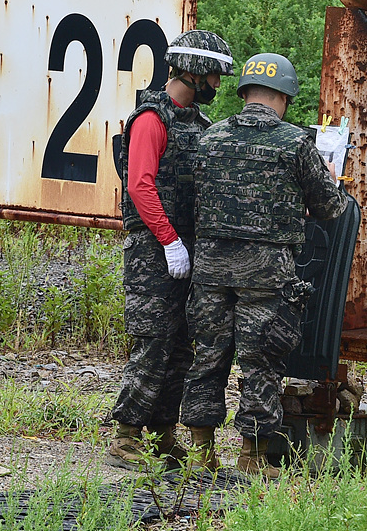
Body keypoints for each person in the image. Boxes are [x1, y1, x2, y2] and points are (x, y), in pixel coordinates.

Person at [181, 52, 348, 478]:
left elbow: (192, 200)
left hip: (211, 271)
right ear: (285, 97)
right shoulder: (296, 143)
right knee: (261, 363)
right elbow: (330, 209)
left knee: (207, 357)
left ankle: (201, 453)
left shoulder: (210, 137)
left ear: (244, 92)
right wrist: (328, 180)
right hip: (266, 275)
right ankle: (252, 457)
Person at [105, 29, 235, 471]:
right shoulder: (150, 119)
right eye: (215, 76)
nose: (218, 86)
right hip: (153, 251)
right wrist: (169, 240)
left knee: (181, 345)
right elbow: (140, 184)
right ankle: (125, 437)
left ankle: (162, 436)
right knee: (154, 341)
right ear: (195, 73)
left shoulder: (197, 125)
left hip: (185, 250)